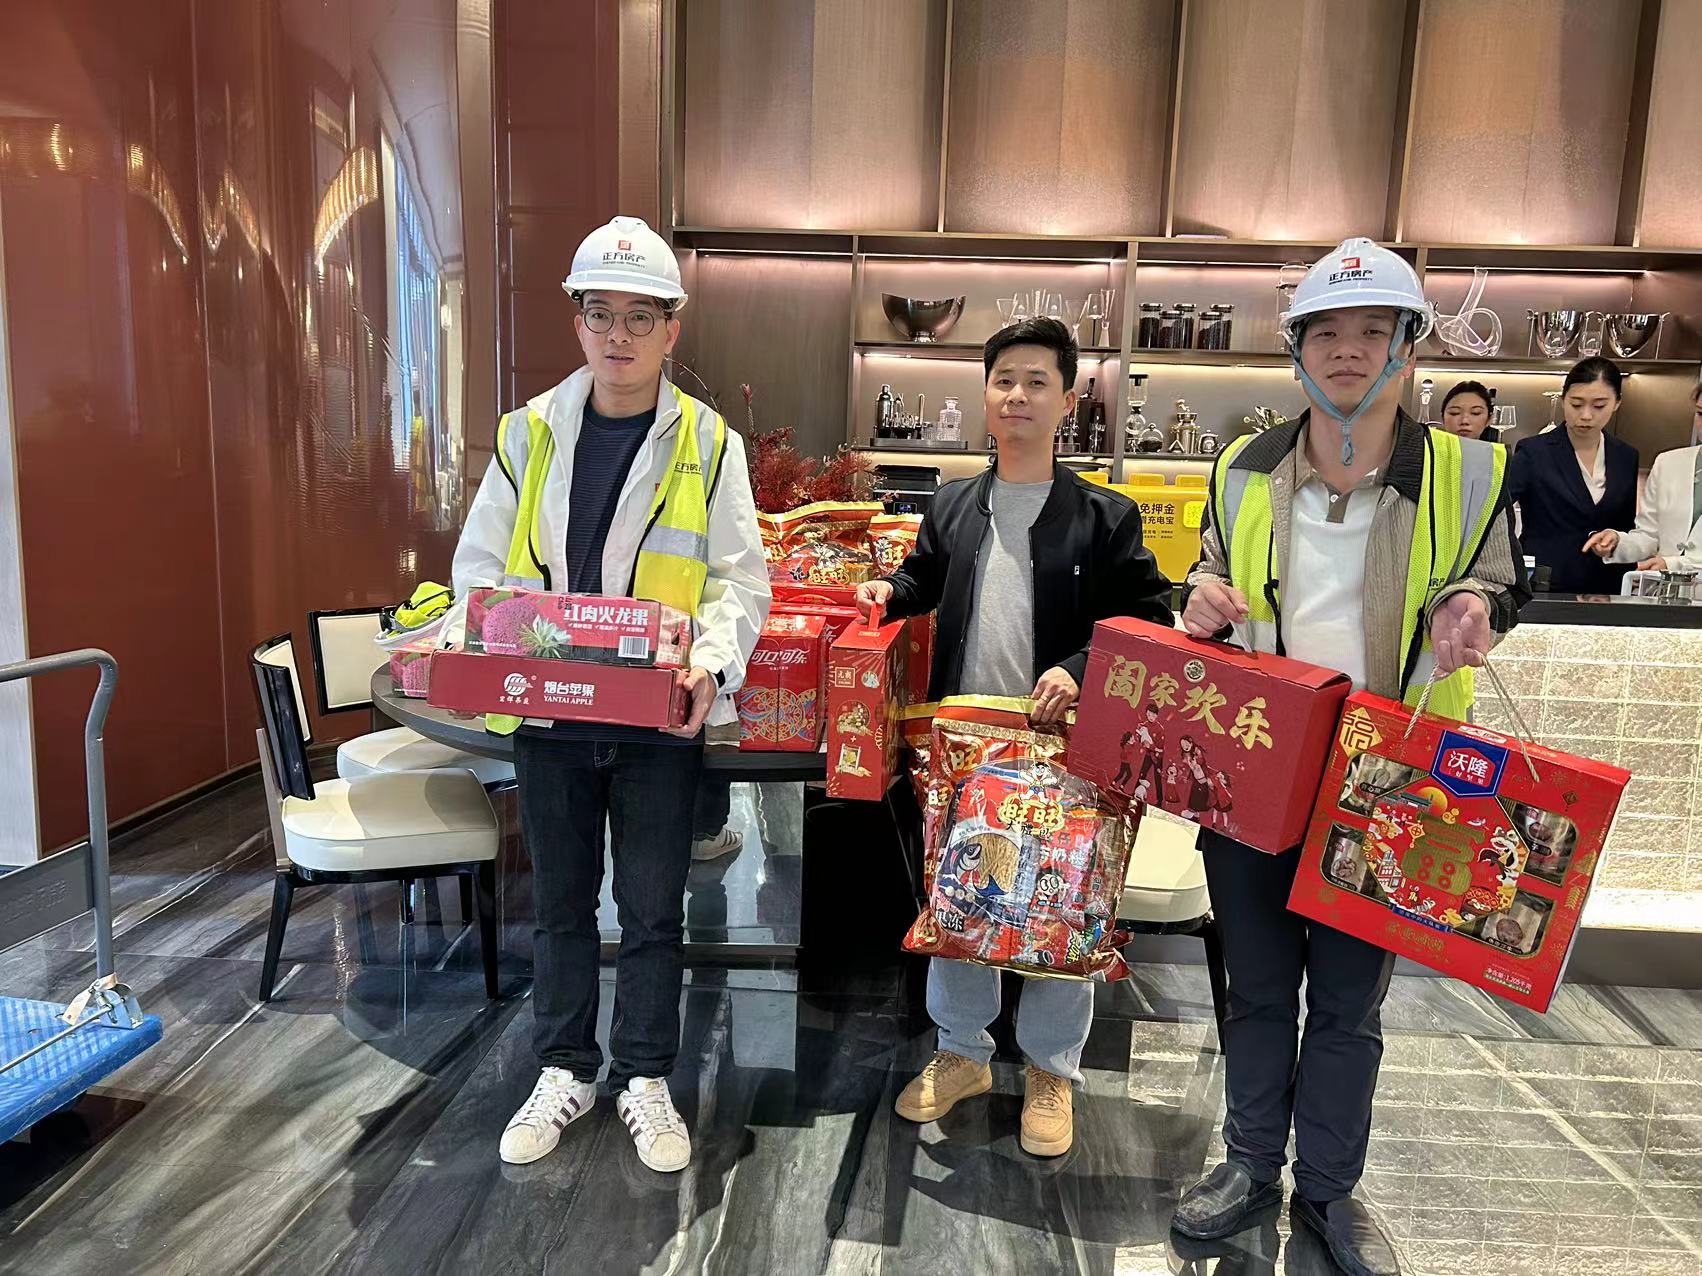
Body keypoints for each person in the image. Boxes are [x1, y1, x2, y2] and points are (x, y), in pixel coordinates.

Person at [1173, 238, 1528, 1276]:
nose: (1346, 349)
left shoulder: (1470, 470)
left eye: (1372, 330)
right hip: (1256, 765)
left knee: (1347, 1000)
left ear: (1408, 346)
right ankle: (1249, 1162)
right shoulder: (1243, 464)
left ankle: (1328, 1188)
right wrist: (1199, 598)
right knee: (1253, 985)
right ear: (1295, 349)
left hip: (1393, 779)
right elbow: (1206, 568)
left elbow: (1498, 580)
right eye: (1325, 331)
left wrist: (1476, 607)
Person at [451, 216, 770, 1172]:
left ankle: (643, 1077)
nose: (619, 335)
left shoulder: (709, 442)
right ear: (577, 321)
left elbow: (740, 581)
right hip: (547, 707)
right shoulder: (527, 434)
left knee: (652, 910)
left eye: (640, 316)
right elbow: (479, 569)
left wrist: (710, 663)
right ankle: (564, 1068)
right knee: (558, 905)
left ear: (672, 328)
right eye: (601, 313)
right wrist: (492, 635)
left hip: (655, 718)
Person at [855, 317, 1172, 1158]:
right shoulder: (956, 502)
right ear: (985, 396)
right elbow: (923, 578)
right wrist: (885, 593)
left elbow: (1149, 619)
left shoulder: (1105, 515)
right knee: (963, 893)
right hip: (966, 745)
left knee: (1063, 903)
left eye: (1038, 382)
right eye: (1004, 381)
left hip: (1064, 749)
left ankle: (1050, 1070)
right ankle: (962, 1052)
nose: (1018, 396)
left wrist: (1080, 666)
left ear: (1067, 401)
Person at [1509, 358, 1638, 594]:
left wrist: (1615, 540)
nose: (1586, 415)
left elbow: (1627, 527)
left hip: (1607, 587)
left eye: (1599, 406)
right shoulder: (1534, 451)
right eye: (1576, 404)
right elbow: (1497, 508)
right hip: (1545, 584)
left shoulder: (1626, 456)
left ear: (1617, 403)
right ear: (1563, 399)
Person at [1584, 381, 1702, 574]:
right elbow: (1649, 535)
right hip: (1664, 591)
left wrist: (1674, 565)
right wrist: (1618, 542)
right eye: (1700, 414)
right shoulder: (1669, 463)